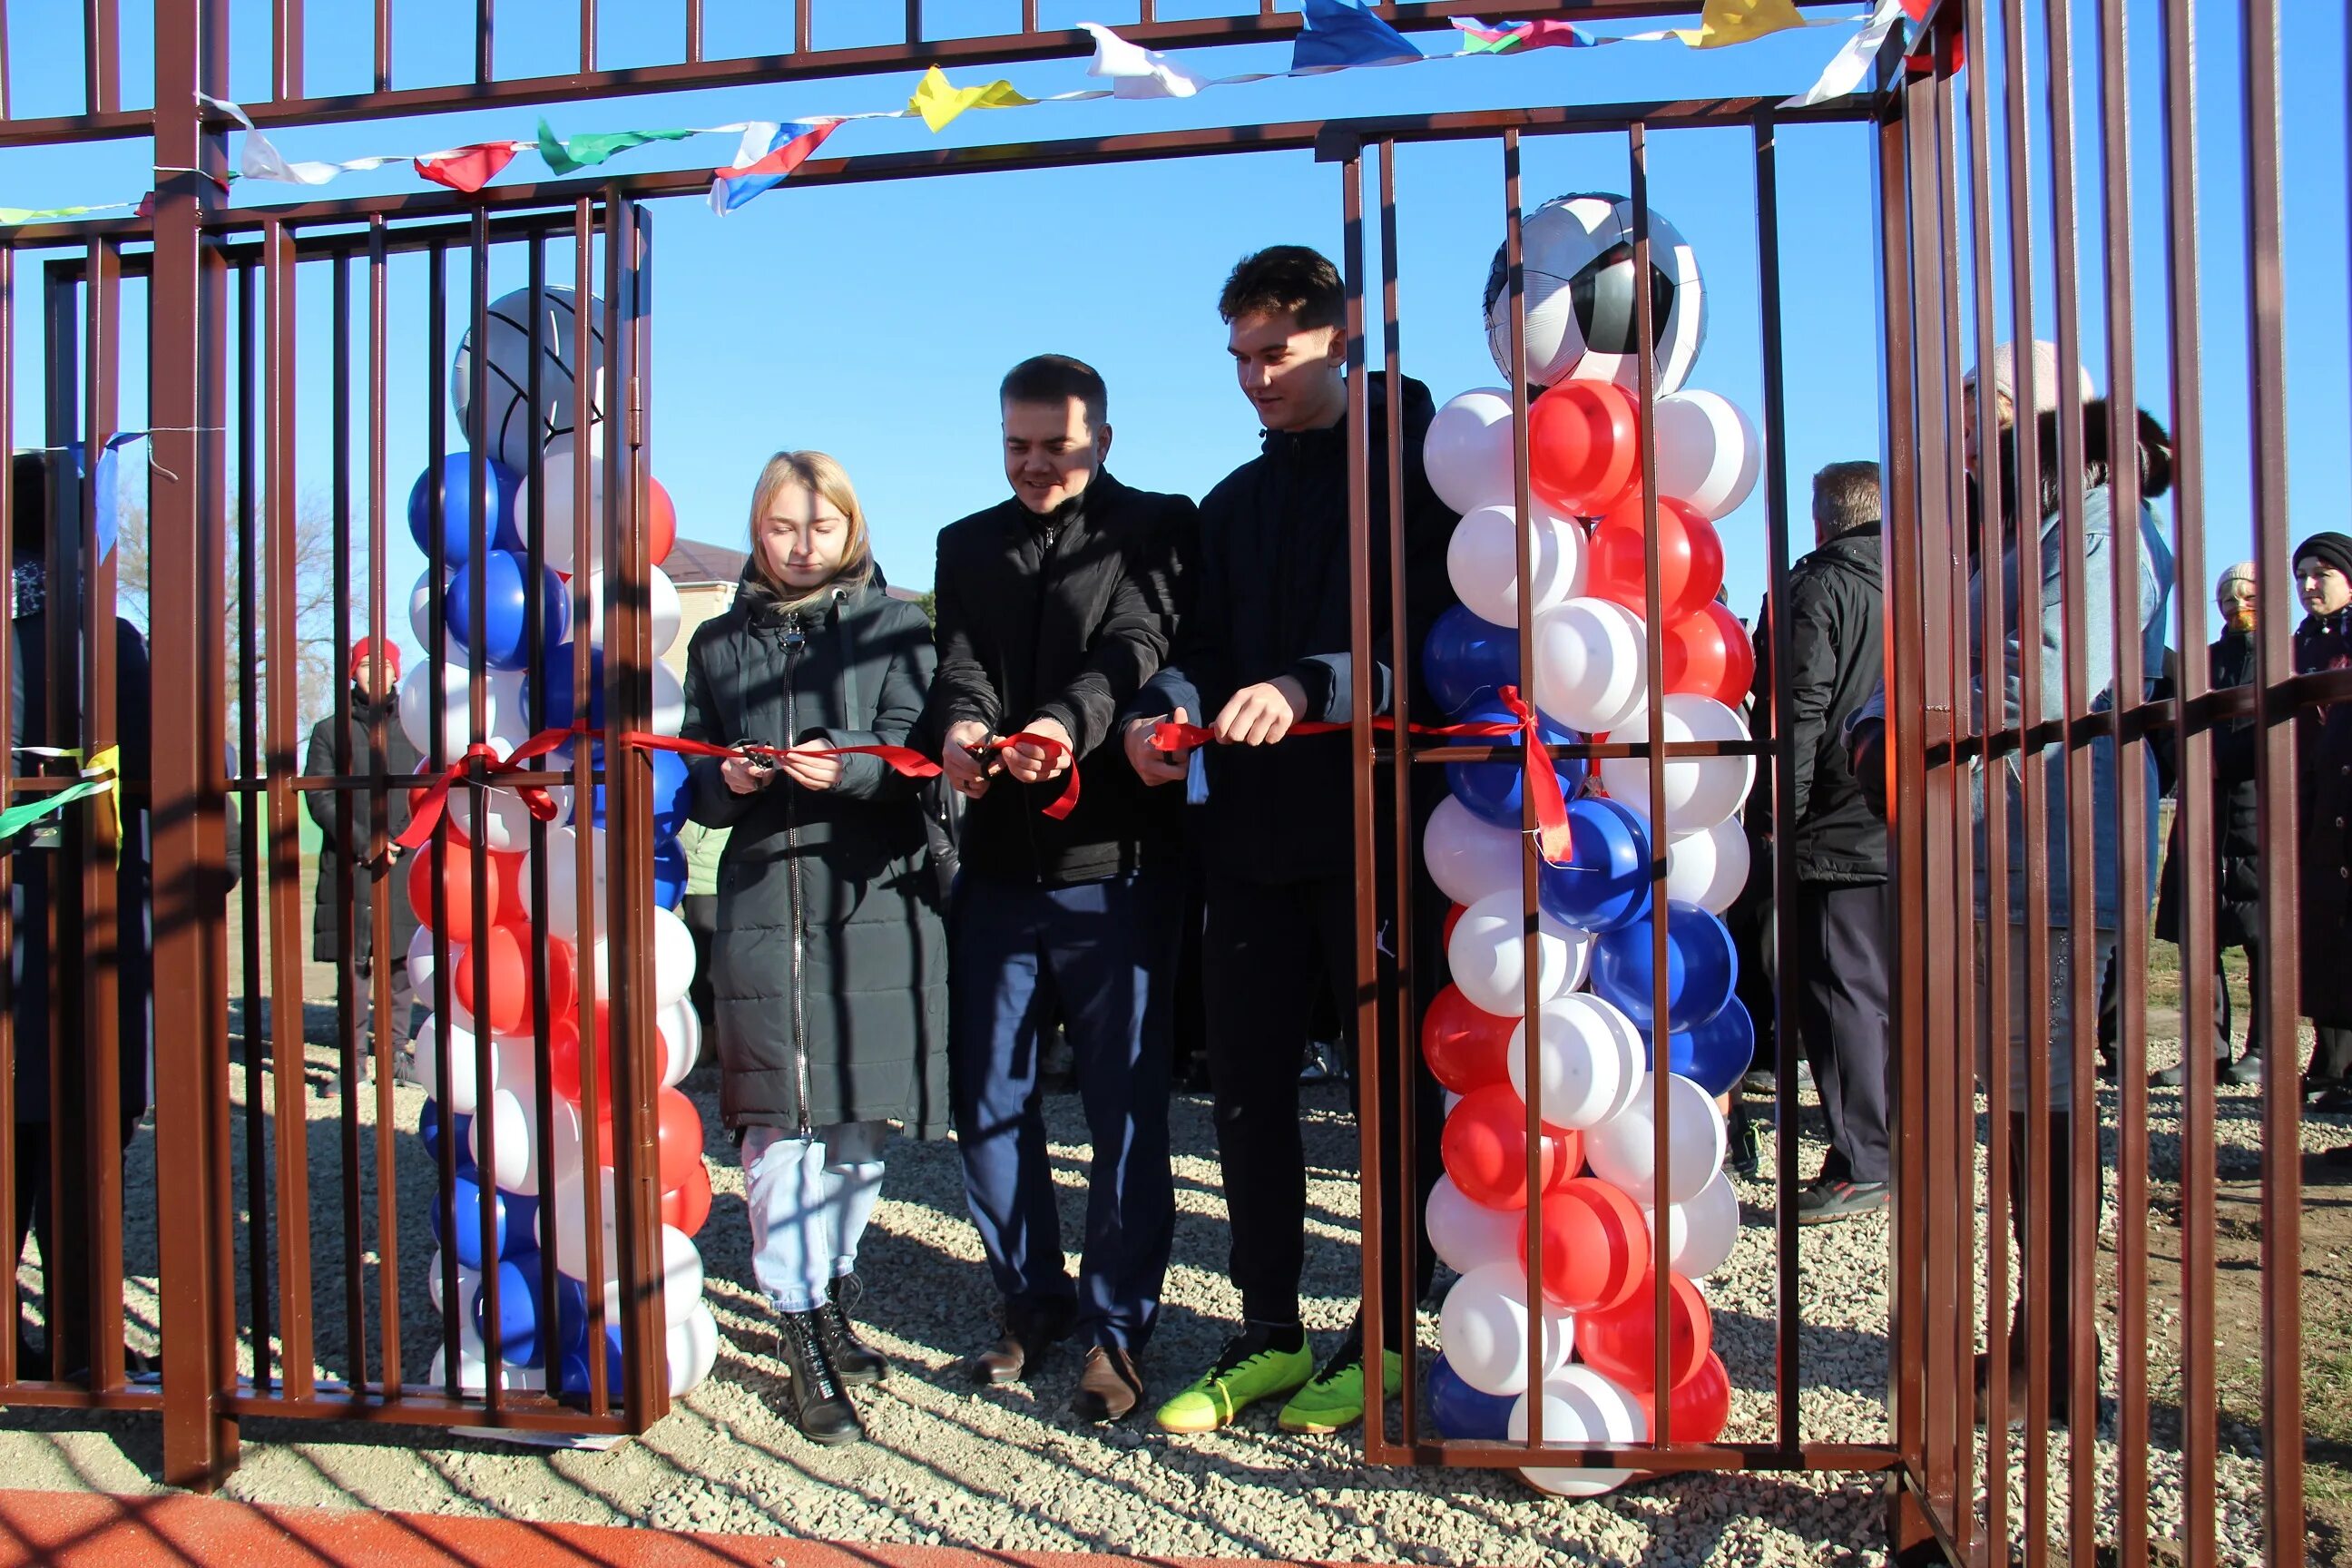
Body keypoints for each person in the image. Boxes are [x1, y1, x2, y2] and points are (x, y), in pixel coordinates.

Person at [1121, 245, 1455, 1437]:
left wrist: (1312, 687)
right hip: (1250, 838)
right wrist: (1163, 712)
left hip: (1379, 829)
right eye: (1241, 357)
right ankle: (1267, 1331)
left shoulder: (1424, 468)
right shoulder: (1234, 501)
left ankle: (1392, 1336)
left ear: (1341, 333)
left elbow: (1432, 640)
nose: (1255, 377)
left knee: (1387, 1097)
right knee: (1249, 1091)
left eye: (1277, 352)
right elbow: (1201, 644)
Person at [922, 354, 1194, 1425]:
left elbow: (1139, 648)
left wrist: (1059, 728)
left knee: (1127, 1110)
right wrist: (960, 729)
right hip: (996, 866)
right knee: (988, 1099)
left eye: (1058, 446)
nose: (1035, 465)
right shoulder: (964, 543)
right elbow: (962, 664)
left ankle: (1119, 1332)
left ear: (1104, 442)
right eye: (1016, 445)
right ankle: (1031, 1299)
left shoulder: (1157, 525)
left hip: (1119, 868)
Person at [677, 450, 947, 1447]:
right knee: (777, 1123)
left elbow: (917, 757)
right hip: (760, 901)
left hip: (869, 895)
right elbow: (697, 778)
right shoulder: (716, 644)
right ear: (758, 530)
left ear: (850, 530)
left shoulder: (896, 627)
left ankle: (832, 1289)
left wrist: (848, 765)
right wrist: (732, 785)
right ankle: (796, 1328)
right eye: (781, 527)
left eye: (817, 528)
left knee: (855, 1126)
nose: (799, 546)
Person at [1968, 398, 2174, 1428]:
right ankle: (2037, 1325)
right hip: (2012, 847)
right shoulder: (2047, 533)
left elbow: (2037, 673)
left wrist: (1916, 724)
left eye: (2008, 456)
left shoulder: (2100, 531)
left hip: (2055, 855)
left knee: (2044, 1105)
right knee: (2018, 1102)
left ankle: (2053, 1337)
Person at [5, 449, 158, 1381]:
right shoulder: (106, 644)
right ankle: (82, 1340)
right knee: (84, 1146)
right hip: (91, 933)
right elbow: (163, 787)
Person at [1757, 461, 1894, 1224]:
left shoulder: (1820, 585)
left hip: (1834, 820)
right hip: (1898, 808)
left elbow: (1799, 709)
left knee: (1838, 998)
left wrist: (1783, 815)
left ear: (1821, 519)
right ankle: (1886, 1143)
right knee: (1878, 994)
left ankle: (1862, 1161)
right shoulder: (1925, 583)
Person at [2148, 565, 2261, 1086]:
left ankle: (2264, 1045)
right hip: (2202, 807)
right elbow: (2175, 726)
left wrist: (2225, 760)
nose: (2233, 603)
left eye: (2244, 593)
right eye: (2224, 594)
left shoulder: (2277, 656)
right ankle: (2206, 1046)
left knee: (2263, 935)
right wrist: (2192, 760)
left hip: (2258, 808)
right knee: (2199, 931)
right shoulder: (2204, 663)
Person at [302, 638, 421, 1063]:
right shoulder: (329, 732)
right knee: (355, 966)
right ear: (354, 672)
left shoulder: (414, 729)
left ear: (395, 673)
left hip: (403, 861)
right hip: (349, 863)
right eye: (366, 665)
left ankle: (393, 1054)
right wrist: (362, 841)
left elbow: (428, 790)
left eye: (384, 665)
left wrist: (401, 840)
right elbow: (319, 797)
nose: (376, 673)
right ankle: (352, 1061)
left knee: (400, 965)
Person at [2292, 532, 2352, 1104]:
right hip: (2317, 807)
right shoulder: (2301, 644)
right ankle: (2332, 1065)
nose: (2308, 586)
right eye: (2302, 576)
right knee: (2326, 938)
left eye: (2321, 574)